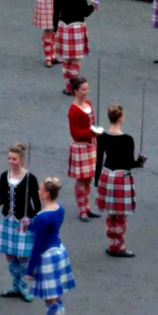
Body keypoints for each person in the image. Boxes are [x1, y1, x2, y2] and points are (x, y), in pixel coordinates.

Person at [26, 177, 76, 315]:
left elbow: (38, 245)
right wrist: (31, 224)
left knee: (49, 299)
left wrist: (29, 270)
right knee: (57, 295)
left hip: (47, 256)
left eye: (40, 190)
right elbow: (48, 230)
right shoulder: (59, 209)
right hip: (59, 252)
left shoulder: (42, 217)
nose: (38, 192)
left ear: (46, 194)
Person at [0, 143, 41, 302]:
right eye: (9, 158)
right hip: (8, 220)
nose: (11, 161)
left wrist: (31, 218)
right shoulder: (4, 176)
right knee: (10, 254)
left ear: (21, 159)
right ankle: (16, 285)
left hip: (23, 221)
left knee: (24, 256)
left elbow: (37, 204)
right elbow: (3, 199)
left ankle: (24, 287)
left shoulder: (30, 178)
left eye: (14, 159)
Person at [95, 104, 146, 258]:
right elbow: (129, 163)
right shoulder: (127, 139)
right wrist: (140, 162)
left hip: (106, 174)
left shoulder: (102, 137)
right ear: (121, 118)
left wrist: (97, 180)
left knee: (111, 214)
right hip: (121, 177)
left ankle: (112, 244)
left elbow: (99, 161)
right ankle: (119, 246)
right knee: (121, 215)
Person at [53, 0, 98, 95]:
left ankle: (68, 86)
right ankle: (74, 87)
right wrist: (92, 6)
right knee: (75, 60)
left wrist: (56, 29)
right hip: (76, 27)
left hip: (63, 26)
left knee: (66, 59)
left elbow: (56, 12)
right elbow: (84, 13)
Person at [67, 77, 101, 222]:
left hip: (91, 146)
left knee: (88, 179)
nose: (86, 92)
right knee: (81, 181)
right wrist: (92, 132)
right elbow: (75, 133)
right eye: (83, 89)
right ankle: (82, 209)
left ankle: (87, 206)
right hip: (80, 147)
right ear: (76, 91)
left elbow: (91, 123)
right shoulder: (73, 111)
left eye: (87, 89)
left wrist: (96, 137)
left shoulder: (89, 104)